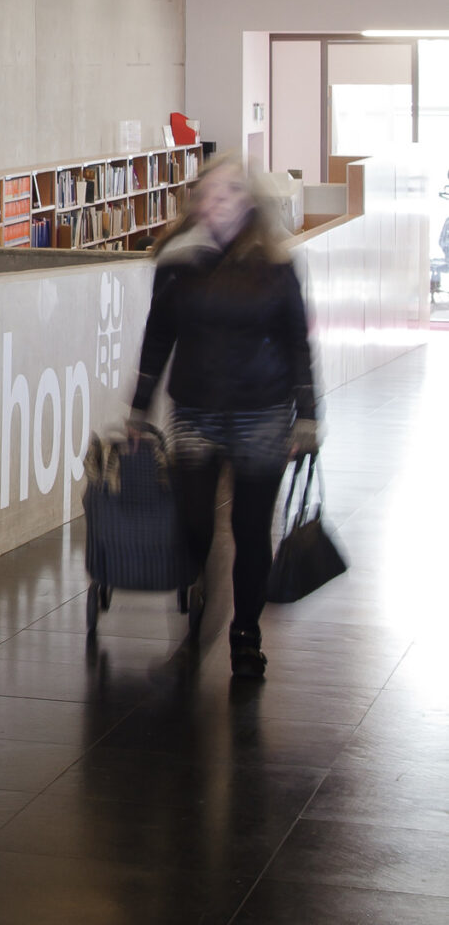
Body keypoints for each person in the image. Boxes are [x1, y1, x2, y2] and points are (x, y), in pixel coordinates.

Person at [127, 154, 319, 683]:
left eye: (230, 193)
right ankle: (198, 610)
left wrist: (308, 415)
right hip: (194, 410)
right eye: (209, 195)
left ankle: (245, 637)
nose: (218, 203)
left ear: (249, 201)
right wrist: (139, 408)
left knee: (251, 529)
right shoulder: (177, 260)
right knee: (191, 524)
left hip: (263, 412)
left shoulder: (274, 263)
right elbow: (157, 337)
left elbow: (297, 341)